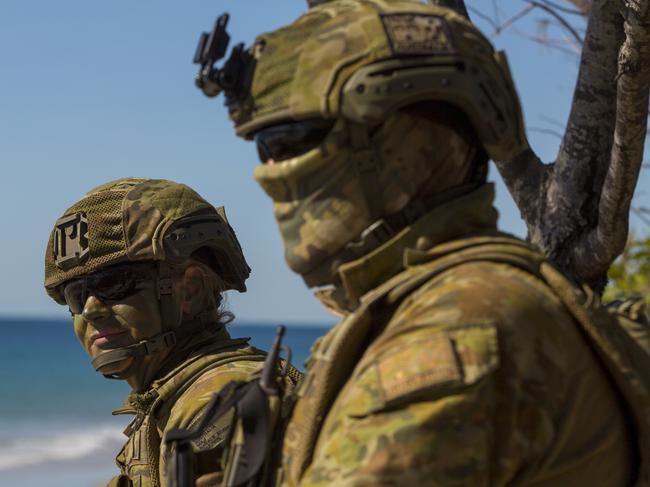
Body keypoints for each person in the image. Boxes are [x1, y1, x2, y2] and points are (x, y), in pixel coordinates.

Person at [194, 0, 650, 485]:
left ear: (404, 144)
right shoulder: (446, 305)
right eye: (267, 148)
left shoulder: (455, 335)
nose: (272, 174)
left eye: (292, 142)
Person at [44, 177, 289, 487]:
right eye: (75, 295)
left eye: (115, 284)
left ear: (190, 290)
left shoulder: (217, 403)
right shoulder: (173, 398)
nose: (91, 309)